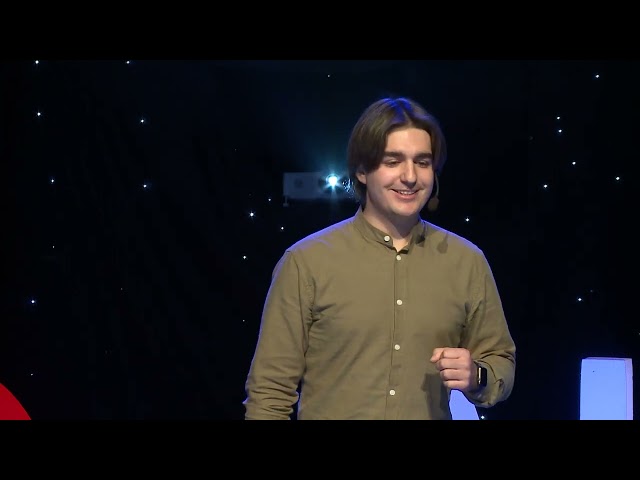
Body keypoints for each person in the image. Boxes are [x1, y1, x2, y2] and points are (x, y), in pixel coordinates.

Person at [243, 96, 516, 420]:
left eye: (422, 162)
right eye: (393, 161)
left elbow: (500, 362)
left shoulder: (466, 261)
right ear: (362, 170)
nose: (410, 176)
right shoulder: (306, 262)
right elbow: (269, 394)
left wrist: (477, 376)